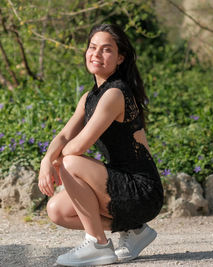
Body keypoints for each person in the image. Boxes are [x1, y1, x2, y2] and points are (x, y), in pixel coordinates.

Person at [38, 24, 164, 266]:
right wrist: (47, 160)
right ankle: (135, 229)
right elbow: (64, 136)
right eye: (92, 47)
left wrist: (57, 163)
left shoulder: (116, 94)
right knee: (57, 210)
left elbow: (78, 147)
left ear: (120, 58)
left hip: (142, 191)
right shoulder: (89, 97)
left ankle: (98, 244)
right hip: (120, 186)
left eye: (106, 49)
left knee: (70, 161)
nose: (96, 54)